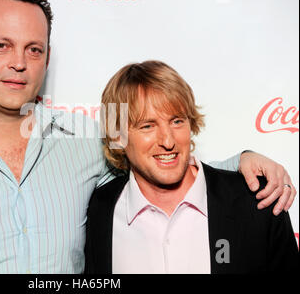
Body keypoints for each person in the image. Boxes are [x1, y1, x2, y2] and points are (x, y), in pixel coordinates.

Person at [0, 0, 296, 274]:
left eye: (34, 49)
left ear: (47, 57)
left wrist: (242, 161)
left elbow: (160, 160)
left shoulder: (85, 142)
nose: (18, 62)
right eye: (1, 45)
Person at [84, 60, 299, 274]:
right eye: (148, 126)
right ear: (117, 136)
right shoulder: (100, 211)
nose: (168, 141)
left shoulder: (259, 202)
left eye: (177, 121)